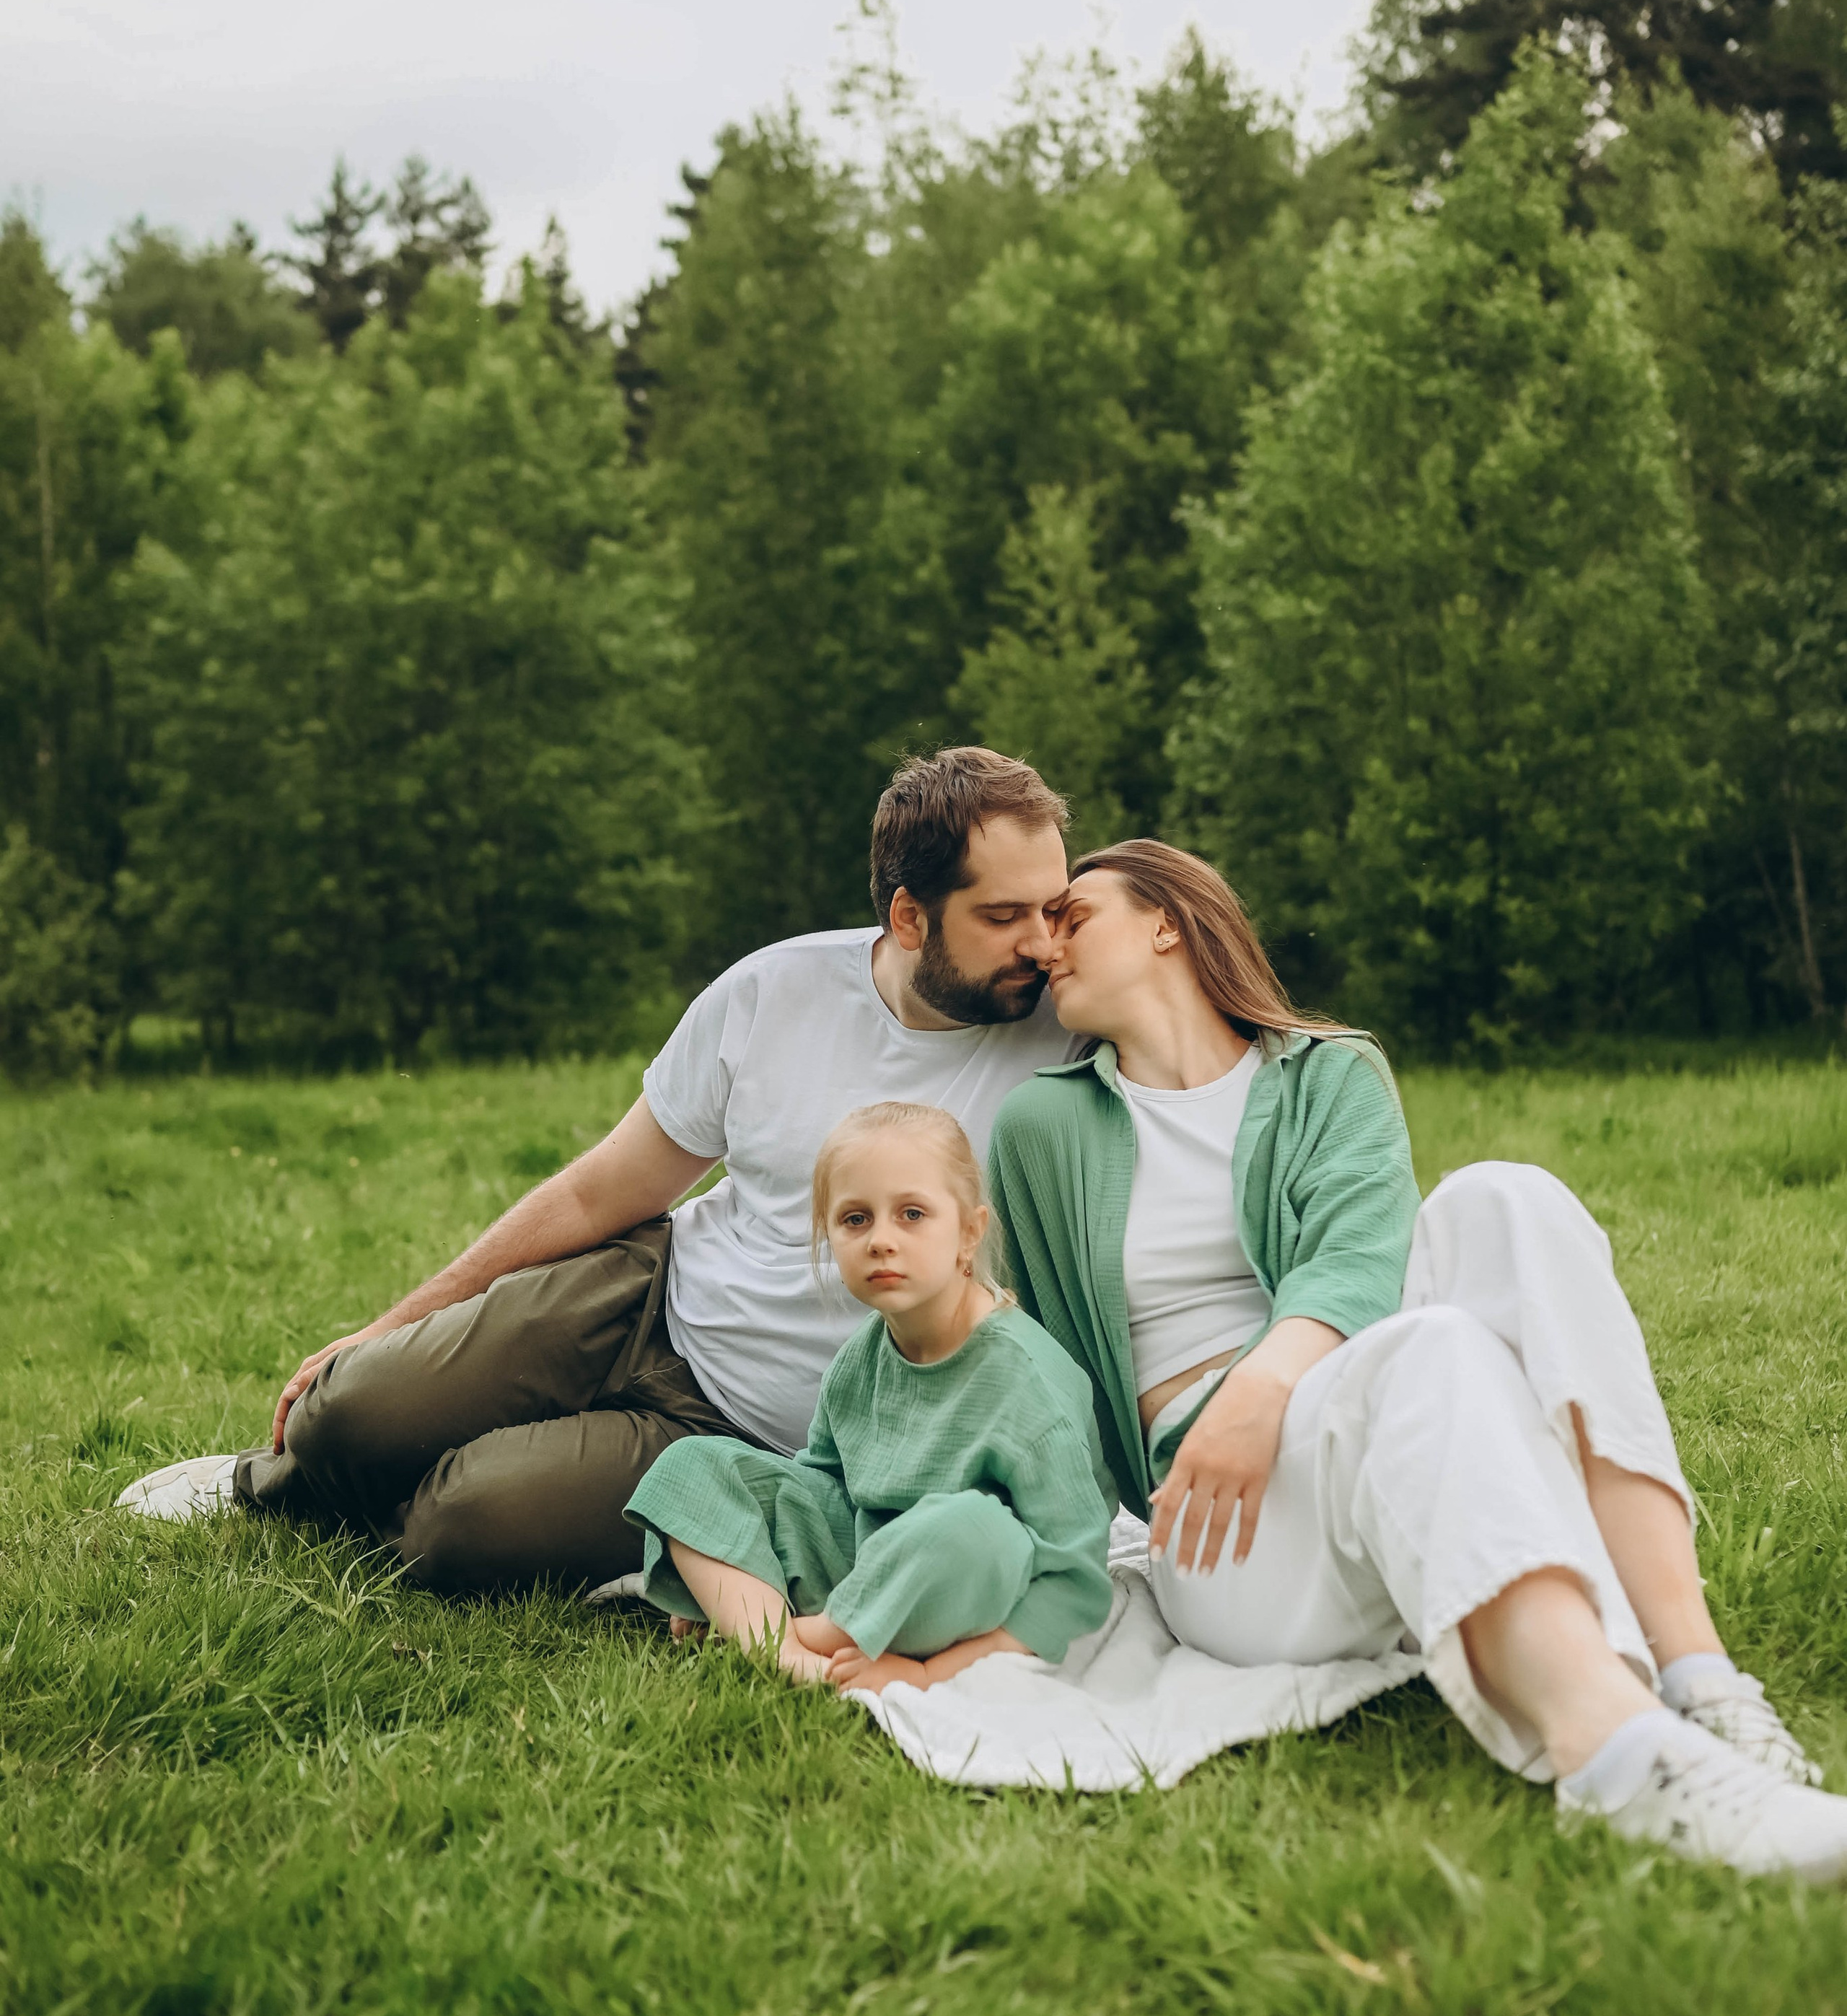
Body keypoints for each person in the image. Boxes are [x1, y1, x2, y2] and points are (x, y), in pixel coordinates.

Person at [988, 839, 1847, 1883]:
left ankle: (1702, 1676)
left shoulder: (1330, 1071)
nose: (1043, 944)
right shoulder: (1043, 1124)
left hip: (1364, 1407)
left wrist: (1264, 1382)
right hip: (1225, 1527)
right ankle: (1623, 1761)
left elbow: (1360, 1257)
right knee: (1426, 1344)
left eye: (1073, 915)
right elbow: (1052, 1363)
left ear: (1166, 921)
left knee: (1505, 1193)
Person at [118, 750, 1081, 1594]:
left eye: (1053, 905)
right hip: (641, 1294)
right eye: (1004, 915)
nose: (1042, 942)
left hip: (745, 1433)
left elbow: (1208, 1040)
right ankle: (267, 1478)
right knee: (351, 1410)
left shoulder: (1072, 1040)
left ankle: (534, 1516)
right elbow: (599, 1188)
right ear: (909, 915)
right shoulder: (773, 990)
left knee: (460, 1530)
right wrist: (392, 1323)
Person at [628, 1101, 1113, 1690]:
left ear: (969, 1232)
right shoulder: (864, 1354)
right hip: (864, 1557)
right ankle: (782, 1647)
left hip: (961, 1583)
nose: (881, 1239)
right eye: (855, 1219)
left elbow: (1075, 1579)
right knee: (692, 1464)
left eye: (912, 1214)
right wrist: (731, 1544)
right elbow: (819, 1483)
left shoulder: (1027, 1382)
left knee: (976, 1526)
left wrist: (930, 1671)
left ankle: (793, 1637)